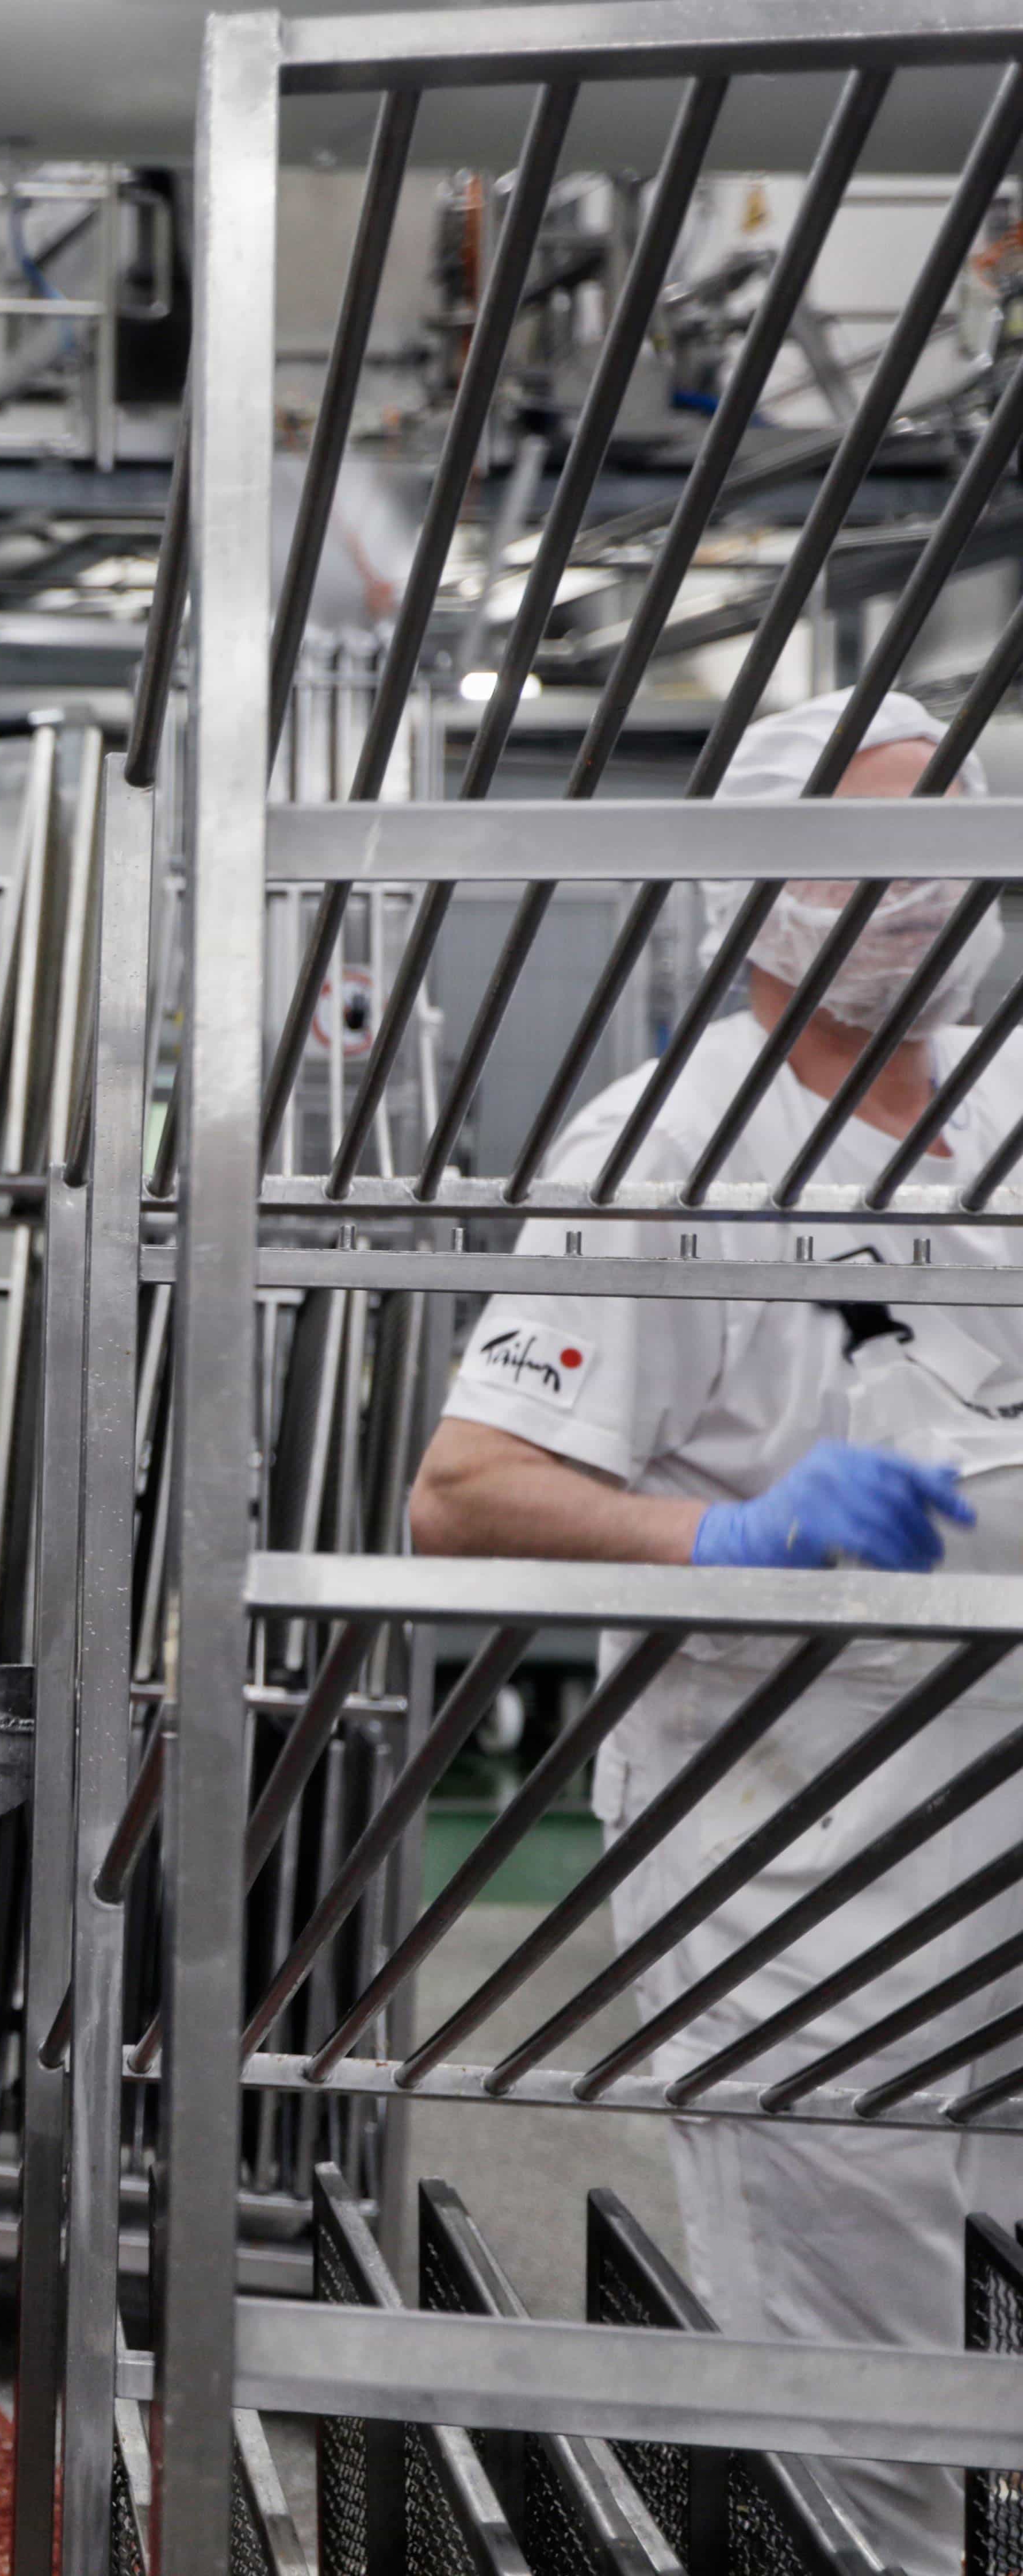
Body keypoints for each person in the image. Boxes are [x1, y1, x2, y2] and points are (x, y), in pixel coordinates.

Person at [408, 687, 1023, 2572]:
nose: (925, 894)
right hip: (799, 1855)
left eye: (953, 837)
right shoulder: (661, 1142)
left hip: (1007, 1822)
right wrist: (731, 1532)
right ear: (764, 878)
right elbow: (462, 1491)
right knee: (861, 2403)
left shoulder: (1009, 1095)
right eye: (878, 842)